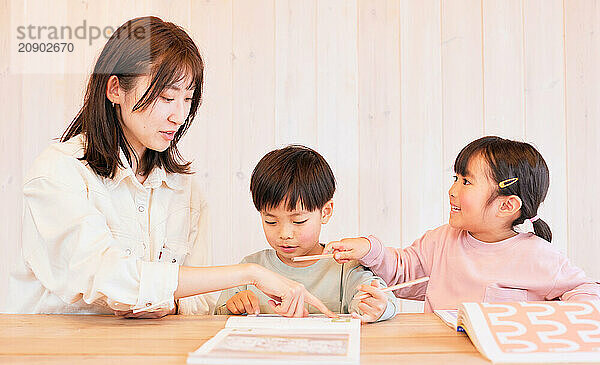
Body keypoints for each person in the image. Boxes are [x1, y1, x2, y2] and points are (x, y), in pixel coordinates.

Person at [7, 16, 335, 318]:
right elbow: (101, 274)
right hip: (56, 359)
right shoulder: (58, 173)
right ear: (115, 89)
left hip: (152, 359)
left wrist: (169, 301)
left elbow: (202, 299)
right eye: (166, 98)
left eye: (188, 99)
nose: (179, 116)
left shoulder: (184, 189)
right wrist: (248, 274)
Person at [324, 136, 600, 312]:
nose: (453, 191)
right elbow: (400, 271)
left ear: (507, 206)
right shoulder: (442, 240)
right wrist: (369, 248)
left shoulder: (540, 256)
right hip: (442, 361)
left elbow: (588, 293)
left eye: (466, 182)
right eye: (455, 179)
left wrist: (557, 319)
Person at [214, 145, 397, 322]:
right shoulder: (251, 267)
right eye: (271, 221)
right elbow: (216, 315)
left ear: (325, 212)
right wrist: (233, 307)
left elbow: (384, 300)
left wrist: (376, 305)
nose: (284, 234)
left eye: (298, 221)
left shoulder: (344, 268)